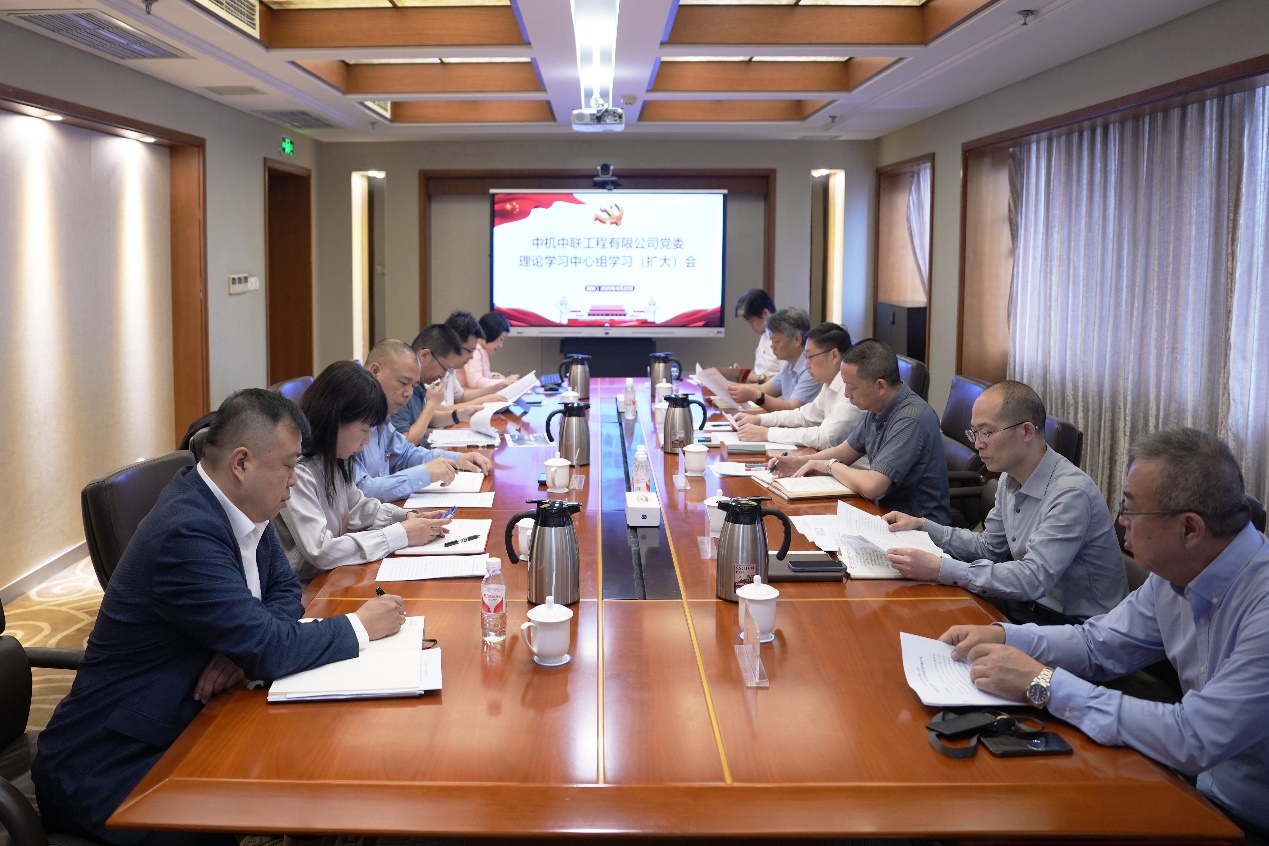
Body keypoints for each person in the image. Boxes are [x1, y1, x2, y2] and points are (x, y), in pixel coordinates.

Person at [33, 389, 408, 845]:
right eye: (289, 465)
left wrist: (242, 647)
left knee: (327, 762)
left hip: (192, 716)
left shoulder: (243, 504)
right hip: (114, 765)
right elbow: (268, 647)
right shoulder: (186, 532)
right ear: (242, 463)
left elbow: (285, 589)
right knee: (311, 780)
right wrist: (359, 625)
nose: (295, 479)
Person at [941, 428, 1269, 842]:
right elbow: (1098, 644)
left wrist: (1042, 683)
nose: (1121, 523)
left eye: (1130, 509)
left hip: (1245, 817)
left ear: (1189, 529)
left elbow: (1193, 738)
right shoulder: (1175, 573)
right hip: (1191, 784)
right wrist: (1005, 638)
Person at [882, 380, 1126, 623]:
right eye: (974, 432)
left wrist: (940, 568)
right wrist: (922, 526)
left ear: (1026, 432)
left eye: (987, 433)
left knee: (942, 621)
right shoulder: (1010, 477)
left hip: (1075, 625)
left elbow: (1033, 579)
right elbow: (989, 547)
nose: (977, 444)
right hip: (1026, 604)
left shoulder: (1071, 493)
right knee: (917, 608)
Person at [275, 360, 451, 581]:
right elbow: (322, 551)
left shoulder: (333, 456)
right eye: (364, 430)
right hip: (305, 587)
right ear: (336, 420)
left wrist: (406, 517)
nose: (367, 440)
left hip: (332, 576)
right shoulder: (298, 470)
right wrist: (402, 534)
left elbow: (357, 506)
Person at [769, 338, 949, 523]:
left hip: (916, 527)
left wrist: (829, 466)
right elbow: (845, 451)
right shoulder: (879, 406)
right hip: (883, 513)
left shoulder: (911, 419)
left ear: (880, 386)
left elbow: (873, 486)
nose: (846, 394)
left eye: (852, 387)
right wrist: (800, 462)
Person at [354, 338, 493, 501]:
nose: (408, 393)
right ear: (375, 371)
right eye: (403, 383)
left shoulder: (381, 416)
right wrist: (425, 473)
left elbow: (405, 453)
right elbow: (360, 491)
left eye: (413, 386)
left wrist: (458, 459)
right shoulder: (350, 415)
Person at [732, 322, 864, 451]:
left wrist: (767, 433)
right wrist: (759, 419)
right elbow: (803, 416)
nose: (806, 364)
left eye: (809, 356)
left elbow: (825, 438)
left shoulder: (851, 390)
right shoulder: (830, 383)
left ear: (834, 356)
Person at [725, 308, 820, 411]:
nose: (772, 346)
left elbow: (792, 408)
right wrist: (724, 385)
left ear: (797, 340)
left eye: (776, 341)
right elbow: (764, 389)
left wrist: (754, 395)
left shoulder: (811, 369)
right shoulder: (788, 365)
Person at [391, 324, 469, 445]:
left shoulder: (419, 383)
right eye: (444, 368)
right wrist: (432, 404)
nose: (443, 376)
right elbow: (404, 444)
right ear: (425, 355)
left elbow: (426, 419)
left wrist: (459, 415)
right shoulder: (400, 386)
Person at [443, 310, 510, 405]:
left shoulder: (451, 370)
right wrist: (501, 384)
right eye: (501, 339)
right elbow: (476, 382)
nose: (471, 357)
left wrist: (496, 384)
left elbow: (461, 397)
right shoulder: (437, 373)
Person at [718, 288, 780, 384]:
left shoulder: (782, 339)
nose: (750, 327)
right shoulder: (765, 336)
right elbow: (762, 374)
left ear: (765, 314)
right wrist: (742, 375)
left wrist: (755, 378)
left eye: (751, 322)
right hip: (760, 391)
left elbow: (787, 381)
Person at [460, 311, 520, 391]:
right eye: (501, 339)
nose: (500, 345)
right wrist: (504, 382)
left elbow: (482, 376)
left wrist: (494, 377)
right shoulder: (474, 350)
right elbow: (476, 382)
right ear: (492, 333)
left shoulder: (482, 350)